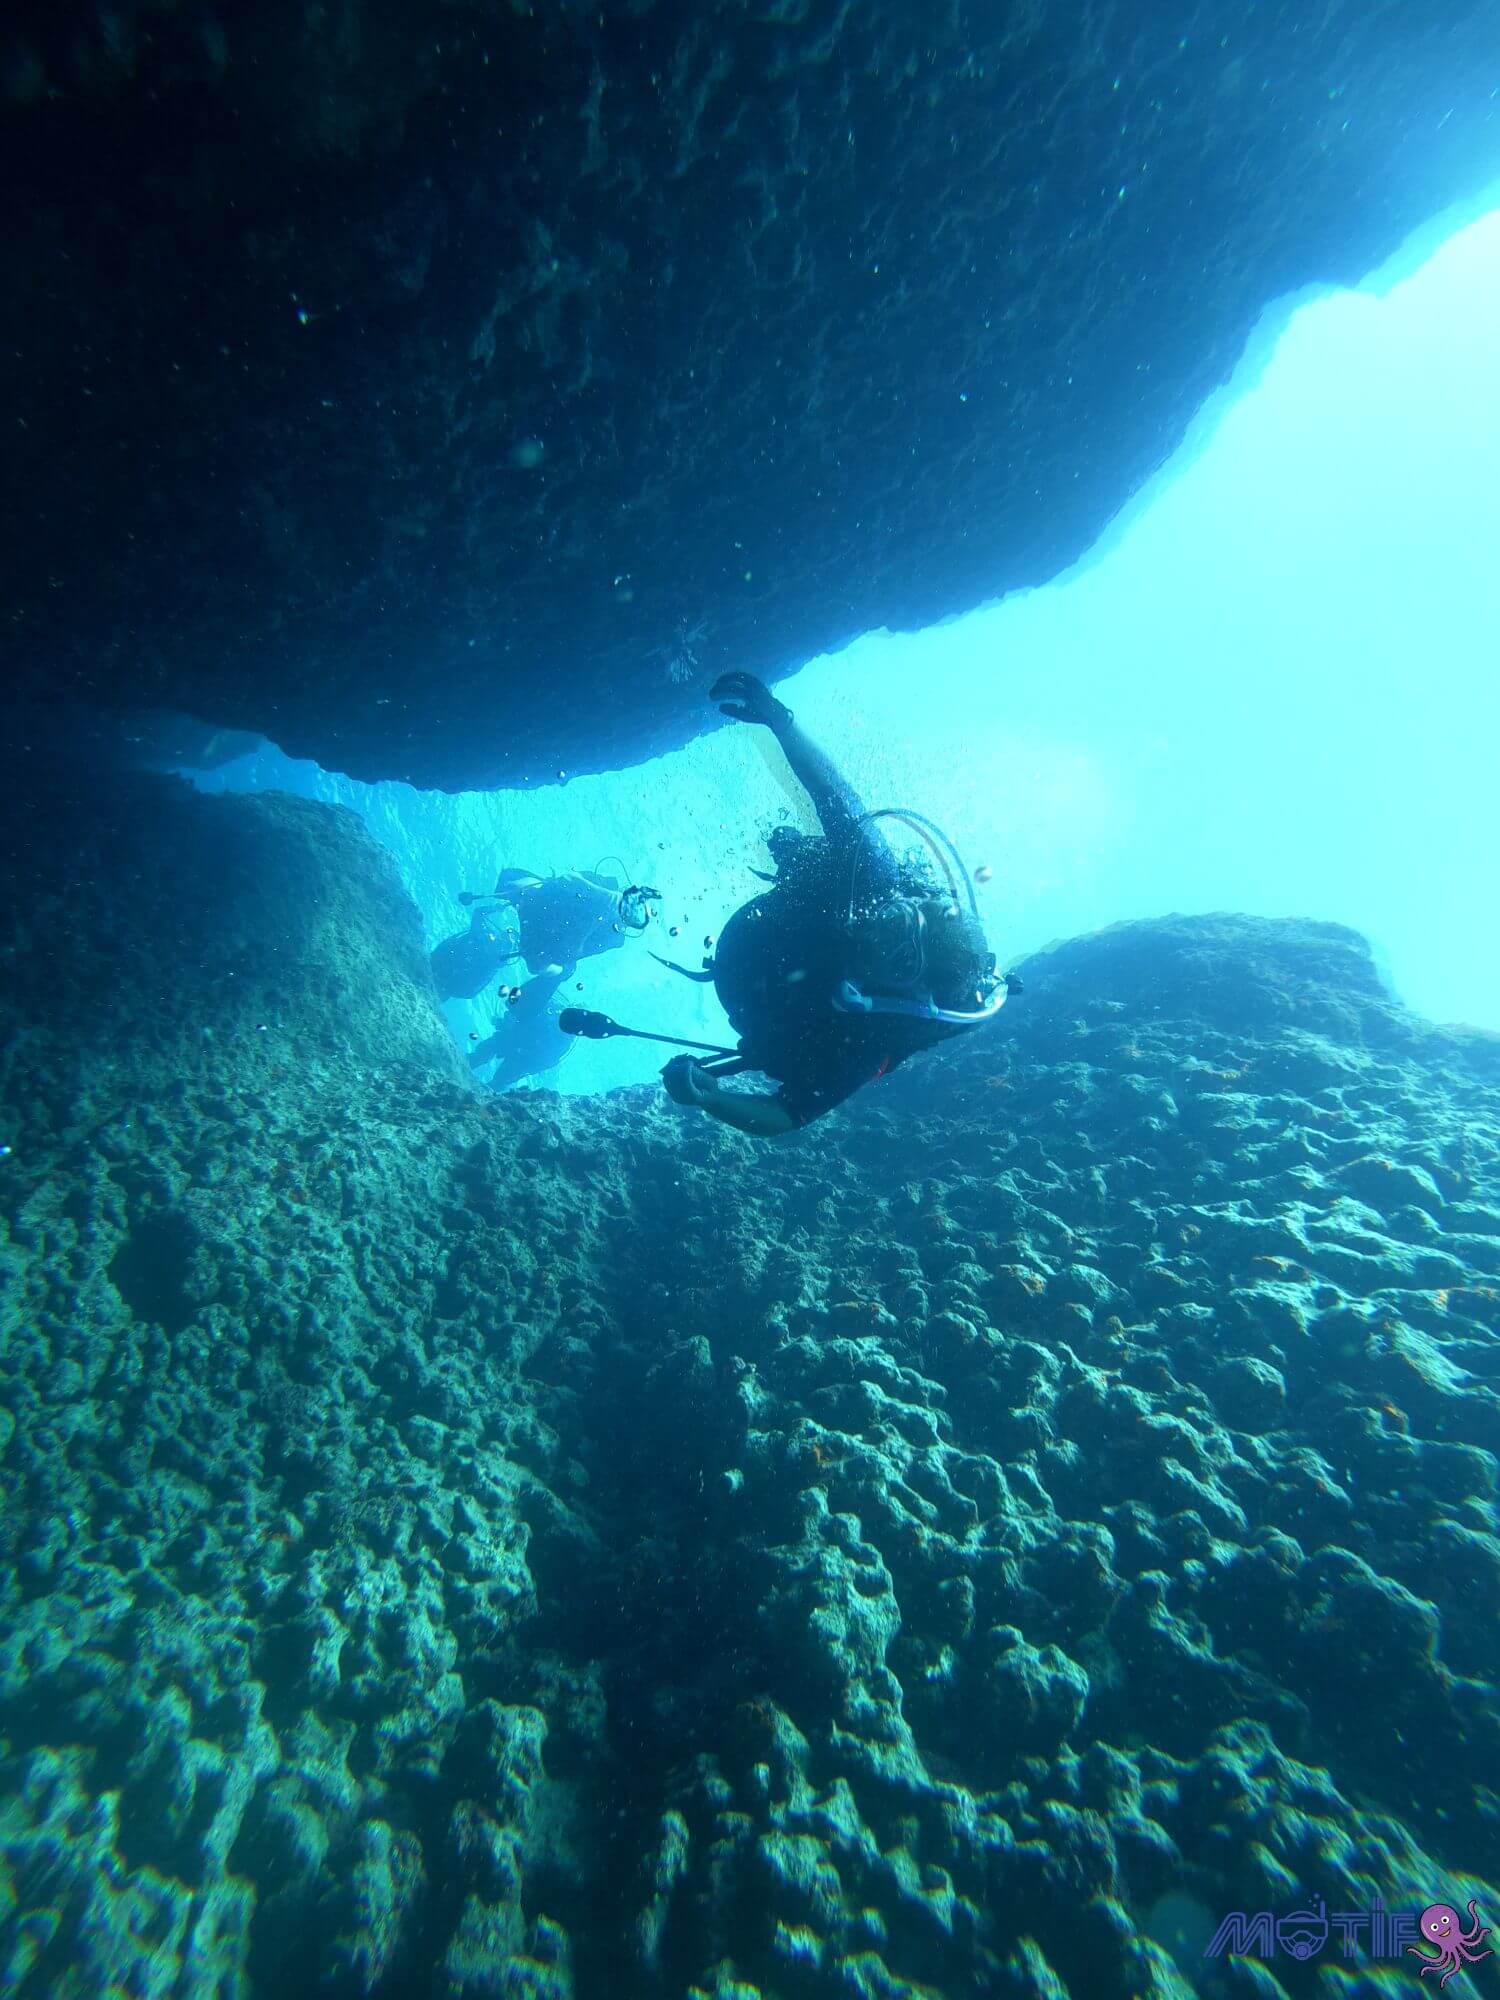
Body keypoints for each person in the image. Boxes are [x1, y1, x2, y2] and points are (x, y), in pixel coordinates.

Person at [658, 673, 1010, 1135]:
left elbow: (786, 1115)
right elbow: (833, 793)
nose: (883, 928)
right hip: (770, 936)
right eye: (903, 915)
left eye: (901, 953)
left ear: (904, 987)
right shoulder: (875, 880)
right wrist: (782, 721)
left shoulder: (869, 1037)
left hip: (762, 999)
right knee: (823, 853)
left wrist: (710, 1098)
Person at [429, 867, 656, 1001]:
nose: (516, 898)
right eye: (511, 899)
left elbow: (602, 897)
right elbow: (539, 965)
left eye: (513, 889)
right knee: (552, 965)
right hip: (567, 946)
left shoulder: (564, 885)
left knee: (559, 962)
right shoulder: (531, 920)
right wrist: (550, 965)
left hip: (586, 927)